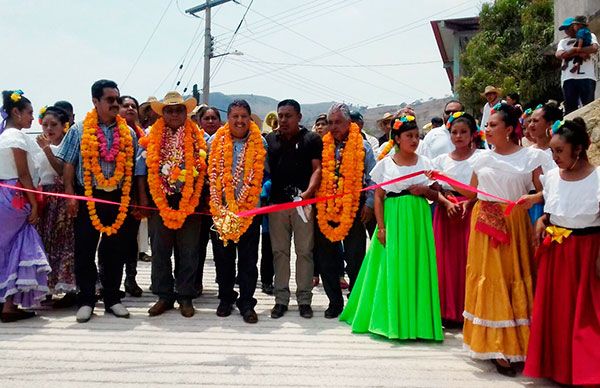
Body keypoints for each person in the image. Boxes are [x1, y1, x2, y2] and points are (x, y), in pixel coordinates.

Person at [442, 103, 547, 376]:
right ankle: (497, 348)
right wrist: (447, 187)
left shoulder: (530, 158)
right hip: (484, 226)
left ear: (510, 130)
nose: (487, 129)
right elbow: (473, 193)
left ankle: (519, 344)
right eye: (486, 125)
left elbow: (546, 192)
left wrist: (533, 198)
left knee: (514, 278)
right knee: (490, 280)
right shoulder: (481, 158)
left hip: (514, 223)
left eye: (493, 125)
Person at [340, 114, 445, 341]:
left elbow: (437, 195)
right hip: (394, 219)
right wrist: (382, 226)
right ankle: (392, 320)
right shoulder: (385, 164)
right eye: (409, 136)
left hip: (418, 220)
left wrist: (425, 191)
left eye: (417, 136)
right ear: (397, 138)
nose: (414, 140)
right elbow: (378, 197)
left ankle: (419, 324)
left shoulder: (426, 163)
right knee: (393, 266)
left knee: (416, 266)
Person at [524, 118, 600, 386]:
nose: (554, 157)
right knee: (558, 312)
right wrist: (541, 221)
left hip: (587, 252)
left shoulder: (598, 178)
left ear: (578, 149)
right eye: (552, 151)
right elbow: (550, 210)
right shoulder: (553, 176)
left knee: (586, 315)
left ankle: (586, 370)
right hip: (557, 251)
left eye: (559, 151)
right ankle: (558, 367)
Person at [58, 79, 138, 323]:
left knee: (115, 250)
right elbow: (69, 164)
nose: (116, 104)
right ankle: (86, 300)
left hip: (117, 198)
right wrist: (71, 194)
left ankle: (112, 298)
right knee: (84, 249)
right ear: (95, 101)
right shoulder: (79, 130)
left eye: (117, 99)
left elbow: (133, 169)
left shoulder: (129, 132)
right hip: (87, 195)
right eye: (110, 100)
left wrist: (132, 198)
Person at [136, 91, 207, 318]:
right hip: (160, 201)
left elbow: (207, 170)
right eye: (169, 109)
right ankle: (164, 296)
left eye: (179, 110)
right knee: (160, 250)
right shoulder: (150, 135)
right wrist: (145, 201)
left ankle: (185, 296)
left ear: (186, 112)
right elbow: (140, 171)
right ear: (162, 113)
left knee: (189, 250)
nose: (175, 114)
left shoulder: (199, 136)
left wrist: (200, 199)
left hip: (190, 202)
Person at [313, 103, 376, 319]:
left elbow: (373, 179)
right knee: (326, 258)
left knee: (355, 257)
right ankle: (334, 302)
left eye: (337, 122)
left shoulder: (363, 147)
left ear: (349, 123)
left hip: (355, 208)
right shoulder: (322, 145)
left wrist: (368, 204)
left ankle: (356, 300)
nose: (333, 126)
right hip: (327, 208)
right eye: (330, 122)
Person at [208, 99, 266, 324]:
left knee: (249, 260)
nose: (240, 121)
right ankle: (225, 298)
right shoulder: (215, 141)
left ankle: (247, 302)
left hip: (250, 211)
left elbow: (265, 173)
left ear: (249, 119)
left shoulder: (260, 142)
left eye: (244, 116)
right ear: (228, 119)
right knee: (223, 258)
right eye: (235, 116)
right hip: (222, 210)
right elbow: (209, 176)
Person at [266, 99, 322, 319]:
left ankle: (304, 300)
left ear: (299, 117)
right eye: (280, 115)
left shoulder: (311, 139)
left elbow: (317, 169)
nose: (283, 120)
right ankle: (281, 300)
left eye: (288, 116)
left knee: (304, 252)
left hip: (303, 205)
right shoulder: (270, 139)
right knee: (279, 253)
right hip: (277, 205)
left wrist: (308, 193)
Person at [0, 90, 50, 322]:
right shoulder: (16, 138)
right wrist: (34, 204)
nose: (32, 118)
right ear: (16, 112)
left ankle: (6, 302)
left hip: (3, 193)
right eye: (29, 113)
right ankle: (9, 305)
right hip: (16, 194)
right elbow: (23, 174)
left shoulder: (3, 136)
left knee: (5, 247)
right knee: (19, 244)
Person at [431, 112, 481, 327]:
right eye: (454, 132)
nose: (458, 136)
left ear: (473, 135)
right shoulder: (441, 160)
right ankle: (447, 312)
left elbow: (483, 188)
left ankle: (469, 310)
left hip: (470, 212)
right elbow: (435, 189)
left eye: (463, 132)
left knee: (469, 261)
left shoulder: (482, 158)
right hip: (447, 213)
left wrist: (468, 203)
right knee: (446, 262)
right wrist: (446, 203)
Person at [35, 105, 77, 307]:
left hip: (62, 199)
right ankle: (47, 287)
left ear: (64, 126)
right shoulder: (39, 145)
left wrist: (47, 151)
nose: (49, 129)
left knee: (65, 244)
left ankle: (70, 289)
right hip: (45, 201)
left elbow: (62, 171)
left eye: (54, 125)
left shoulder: (66, 146)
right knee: (46, 243)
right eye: (45, 124)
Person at [191, 105, 221, 296]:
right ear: (200, 122)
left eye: (214, 118)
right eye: (206, 118)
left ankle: (224, 283)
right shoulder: (193, 140)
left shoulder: (227, 139)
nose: (210, 122)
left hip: (221, 205)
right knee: (197, 246)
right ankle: (195, 283)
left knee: (221, 247)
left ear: (219, 121)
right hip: (198, 203)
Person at [525, 102, 562, 224]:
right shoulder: (527, 152)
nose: (530, 125)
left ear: (550, 124)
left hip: (551, 210)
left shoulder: (559, 154)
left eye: (535, 121)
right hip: (526, 208)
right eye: (530, 121)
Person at [556, 16, 599, 114]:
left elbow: (594, 48)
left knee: (589, 108)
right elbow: (559, 54)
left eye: (568, 28)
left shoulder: (589, 35)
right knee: (570, 109)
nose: (566, 31)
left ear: (575, 26)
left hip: (587, 77)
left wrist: (570, 52)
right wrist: (578, 52)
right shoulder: (563, 41)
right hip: (568, 78)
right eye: (564, 29)